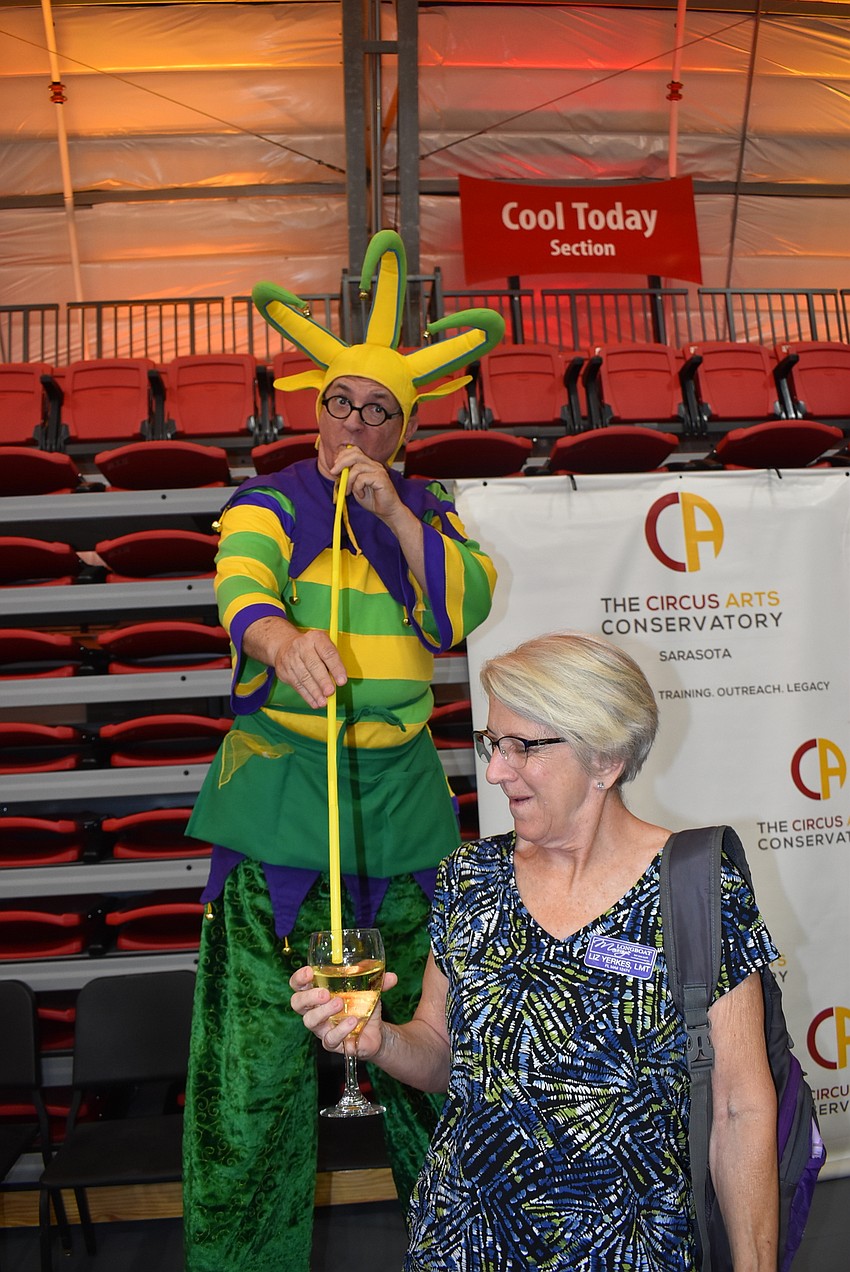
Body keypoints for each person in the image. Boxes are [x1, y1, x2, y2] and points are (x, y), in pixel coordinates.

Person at [181, 230, 505, 1272]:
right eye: (342, 404)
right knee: (253, 1077)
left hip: (401, 815)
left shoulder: (430, 508)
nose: (357, 422)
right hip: (278, 807)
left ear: (403, 429)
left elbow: (461, 608)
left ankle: (461, 1250)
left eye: (381, 410)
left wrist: (393, 519)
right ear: (312, 410)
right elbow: (241, 578)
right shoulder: (268, 498)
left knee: (429, 1056)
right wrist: (274, 636)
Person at [292, 631, 780, 1271]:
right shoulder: (469, 879)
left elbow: (741, 1108)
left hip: (632, 1251)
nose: (495, 770)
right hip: (465, 1242)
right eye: (494, 743)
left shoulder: (695, 883)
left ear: (604, 759)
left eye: (524, 747)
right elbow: (443, 1059)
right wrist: (379, 1040)